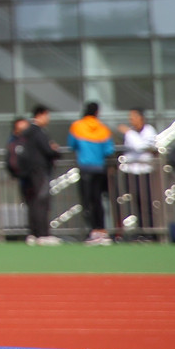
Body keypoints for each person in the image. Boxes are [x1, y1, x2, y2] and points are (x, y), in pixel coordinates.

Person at [69, 102, 116, 246]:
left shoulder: (77, 126)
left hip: (85, 167)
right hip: (99, 168)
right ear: (97, 112)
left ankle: (91, 232)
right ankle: (101, 230)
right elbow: (109, 150)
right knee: (98, 200)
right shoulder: (103, 129)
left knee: (86, 201)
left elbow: (72, 145)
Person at [18, 107, 62, 245]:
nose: (48, 119)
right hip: (40, 171)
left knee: (33, 202)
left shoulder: (26, 133)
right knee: (42, 201)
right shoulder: (39, 132)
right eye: (46, 116)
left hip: (29, 172)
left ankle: (33, 233)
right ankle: (43, 234)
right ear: (40, 115)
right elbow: (49, 150)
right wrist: (55, 150)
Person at [116, 109, 159, 235]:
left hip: (145, 172)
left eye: (133, 117)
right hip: (132, 172)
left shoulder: (149, 130)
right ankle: (140, 231)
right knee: (136, 202)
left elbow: (141, 147)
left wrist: (128, 133)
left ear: (141, 118)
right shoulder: (132, 132)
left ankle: (150, 231)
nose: (131, 120)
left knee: (147, 202)